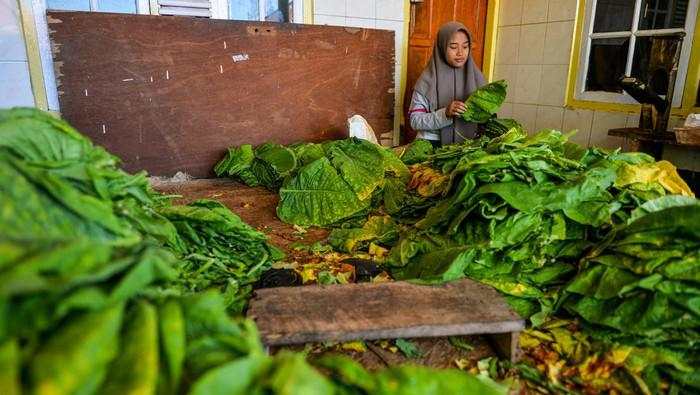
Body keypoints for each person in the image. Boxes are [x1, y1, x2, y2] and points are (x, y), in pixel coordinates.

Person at [408, 22, 486, 148]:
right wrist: (445, 114)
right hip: (430, 145)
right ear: (441, 47)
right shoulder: (427, 81)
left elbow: (485, 119)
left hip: (467, 147)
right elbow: (414, 121)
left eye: (465, 47)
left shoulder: (478, 78)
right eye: (453, 47)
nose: (460, 53)